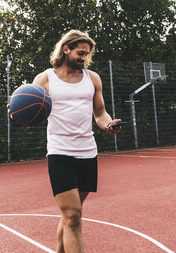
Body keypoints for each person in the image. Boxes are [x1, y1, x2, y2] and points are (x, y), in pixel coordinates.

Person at [32, 30, 122, 253]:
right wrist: (15, 110)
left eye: (87, 54)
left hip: (88, 152)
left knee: (71, 214)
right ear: (66, 49)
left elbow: (100, 113)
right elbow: (27, 106)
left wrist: (108, 125)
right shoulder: (45, 79)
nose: (84, 58)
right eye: (80, 53)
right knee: (72, 217)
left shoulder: (92, 79)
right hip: (60, 152)